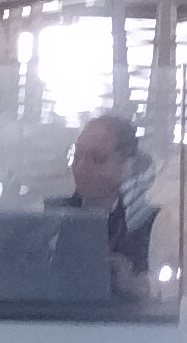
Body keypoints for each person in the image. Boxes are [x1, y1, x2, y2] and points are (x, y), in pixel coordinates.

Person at [55, 109, 163, 302]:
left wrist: (133, 284)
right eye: (77, 155)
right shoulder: (53, 216)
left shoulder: (153, 224)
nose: (81, 166)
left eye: (97, 158)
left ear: (128, 166)